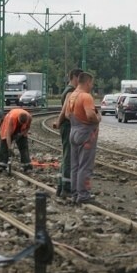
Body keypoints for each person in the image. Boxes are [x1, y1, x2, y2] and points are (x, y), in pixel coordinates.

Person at [65, 72, 100, 203]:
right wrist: (98, 119)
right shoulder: (86, 96)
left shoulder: (72, 95)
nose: (92, 85)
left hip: (73, 131)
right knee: (85, 165)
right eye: (91, 83)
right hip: (86, 134)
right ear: (87, 82)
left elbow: (68, 115)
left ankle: (74, 193)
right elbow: (90, 115)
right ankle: (83, 195)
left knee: (75, 165)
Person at [53, 68, 82, 196]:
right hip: (68, 126)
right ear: (75, 77)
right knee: (69, 156)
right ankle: (66, 187)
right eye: (80, 77)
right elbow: (66, 110)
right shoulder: (71, 91)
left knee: (66, 155)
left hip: (66, 126)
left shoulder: (68, 90)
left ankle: (61, 186)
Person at [0, 108, 32, 173]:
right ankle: (1, 165)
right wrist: (10, 148)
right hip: (9, 125)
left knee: (24, 146)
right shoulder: (11, 118)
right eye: (20, 123)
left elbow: (27, 128)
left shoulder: (29, 118)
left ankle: (27, 166)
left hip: (21, 131)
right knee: (4, 145)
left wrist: (21, 134)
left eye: (23, 124)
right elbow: (8, 135)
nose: (21, 124)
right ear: (18, 119)